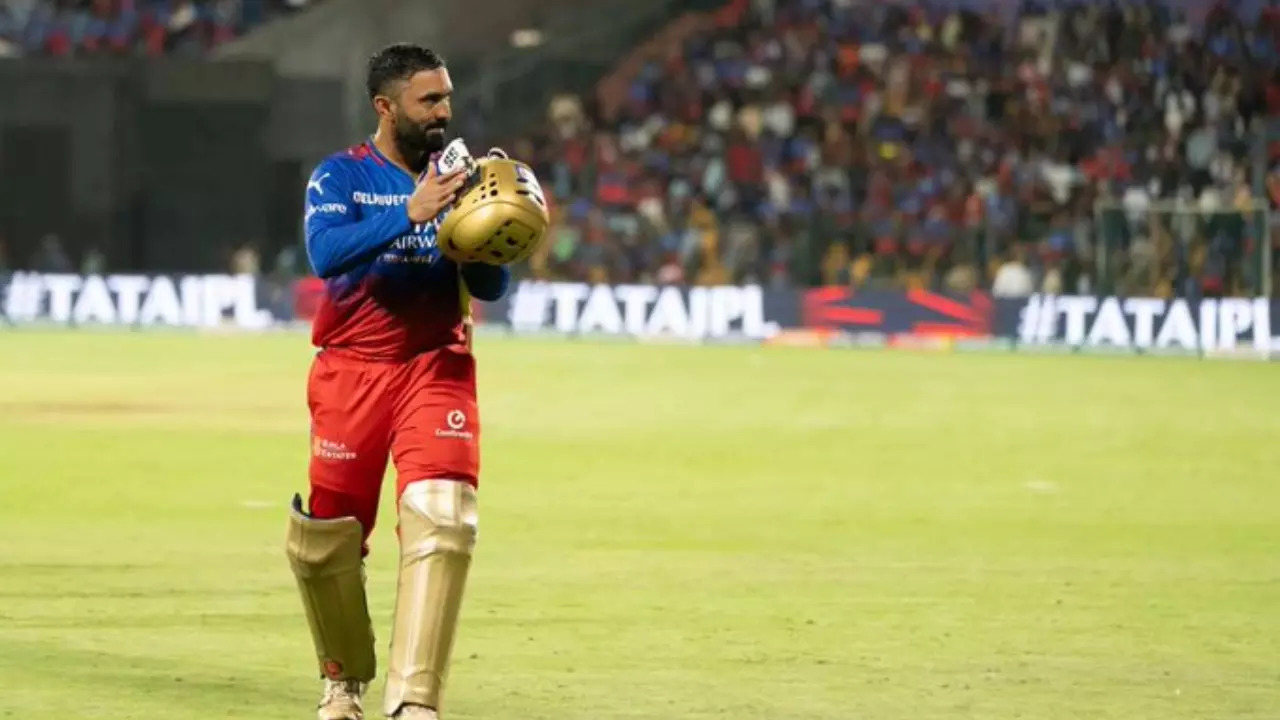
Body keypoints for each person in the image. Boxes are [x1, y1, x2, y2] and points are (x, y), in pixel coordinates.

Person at [285, 43, 511, 720]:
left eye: (446, 97)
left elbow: (490, 286)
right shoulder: (340, 177)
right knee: (331, 542)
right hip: (352, 372)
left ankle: (415, 702)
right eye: (429, 100)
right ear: (387, 107)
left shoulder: (465, 178)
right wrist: (412, 211)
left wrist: (495, 228)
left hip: (435, 367)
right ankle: (342, 681)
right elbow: (326, 256)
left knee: (444, 520)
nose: (444, 112)